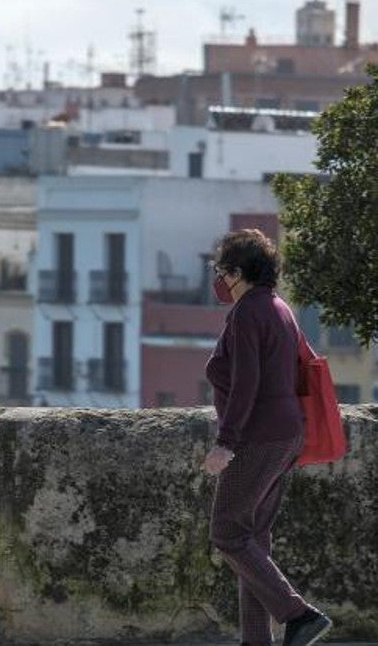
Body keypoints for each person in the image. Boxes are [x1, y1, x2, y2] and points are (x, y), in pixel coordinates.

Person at [203, 229, 331, 646]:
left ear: (238, 273)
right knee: (253, 539)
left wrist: (226, 442)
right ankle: (256, 641)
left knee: (227, 533)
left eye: (221, 271)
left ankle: (299, 615)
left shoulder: (247, 314)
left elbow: (246, 385)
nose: (218, 280)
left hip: (257, 437)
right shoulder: (279, 308)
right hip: (285, 433)